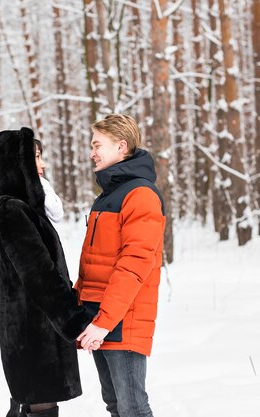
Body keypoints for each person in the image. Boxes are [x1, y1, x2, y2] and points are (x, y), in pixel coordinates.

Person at [0, 127, 97, 417]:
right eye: (35, 158)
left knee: (30, 404)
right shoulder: (11, 209)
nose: (42, 165)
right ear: (14, 164)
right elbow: (39, 275)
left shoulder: (25, 209)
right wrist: (75, 320)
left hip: (37, 328)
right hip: (31, 333)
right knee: (38, 404)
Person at [75, 114, 166, 417]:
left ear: (121, 146)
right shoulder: (107, 196)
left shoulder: (141, 195)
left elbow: (134, 264)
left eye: (97, 144)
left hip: (122, 318)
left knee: (132, 408)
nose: (92, 152)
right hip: (101, 315)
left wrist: (104, 321)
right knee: (115, 405)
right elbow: (93, 263)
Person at [34, 139, 64, 223]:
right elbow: (55, 212)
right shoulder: (13, 205)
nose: (43, 165)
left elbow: (56, 213)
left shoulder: (34, 201)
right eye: (37, 156)